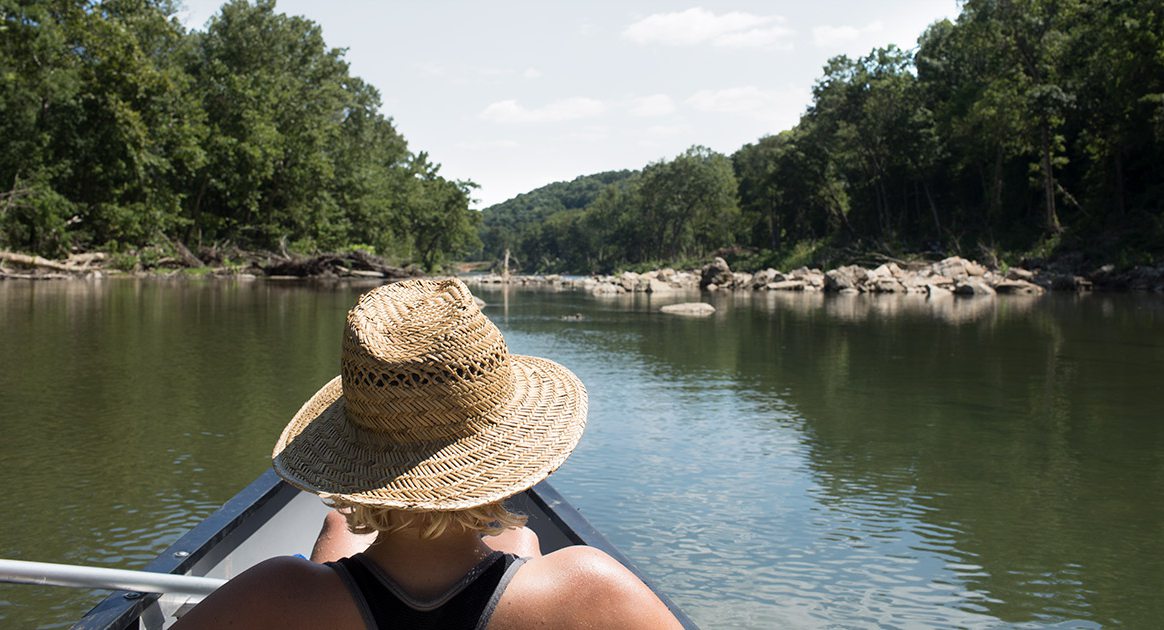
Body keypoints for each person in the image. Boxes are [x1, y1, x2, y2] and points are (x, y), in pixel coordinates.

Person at [173, 278, 681, 629]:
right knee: (522, 540)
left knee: (336, 532)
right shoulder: (591, 590)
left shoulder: (272, 595)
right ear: (507, 451)